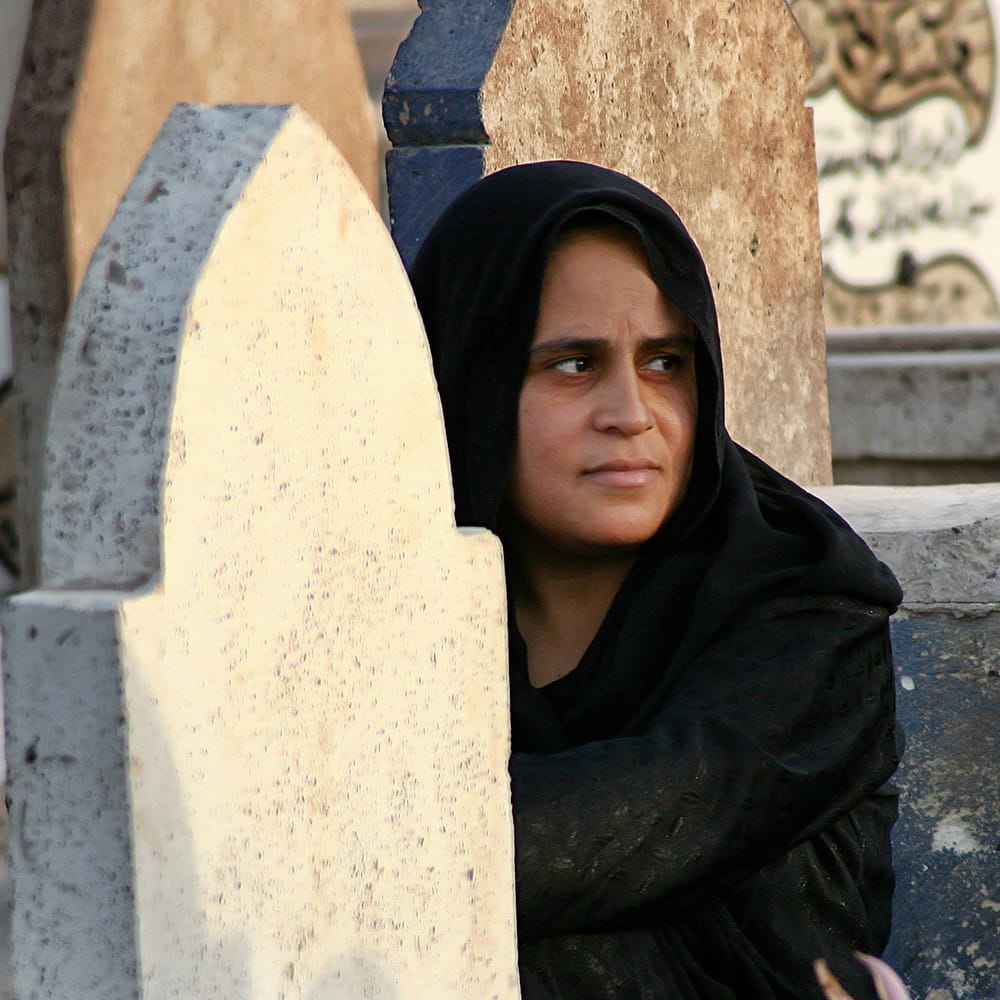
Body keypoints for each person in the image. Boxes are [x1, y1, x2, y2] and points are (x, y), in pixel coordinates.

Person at [408, 161, 903, 1000]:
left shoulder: (808, 614)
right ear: (472, 381)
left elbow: (627, 823)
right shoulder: (392, 615)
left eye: (666, 362)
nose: (630, 412)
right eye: (573, 364)